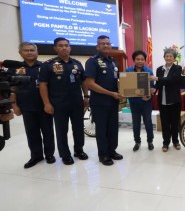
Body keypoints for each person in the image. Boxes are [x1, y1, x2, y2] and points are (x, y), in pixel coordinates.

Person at [39, 38, 89, 165]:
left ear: (70, 48)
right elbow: (43, 85)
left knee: (78, 128)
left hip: (76, 102)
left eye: (66, 45)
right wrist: (46, 103)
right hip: (58, 103)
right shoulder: (48, 64)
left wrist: (86, 96)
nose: (64, 48)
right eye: (60, 46)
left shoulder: (77, 63)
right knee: (62, 130)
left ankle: (79, 150)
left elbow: (83, 81)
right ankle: (65, 154)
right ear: (55, 48)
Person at [9, 42, 55, 169]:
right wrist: (14, 105)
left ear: (37, 52)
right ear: (20, 53)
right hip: (26, 106)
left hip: (44, 106)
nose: (29, 52)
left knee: (48, 132)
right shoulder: (15, 68)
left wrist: (50, 103)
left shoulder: (46, 67)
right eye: (26, 50)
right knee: (32, 133)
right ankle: (36, 156)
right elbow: (12, 89)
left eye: (31, 50)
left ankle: (49, 155)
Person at [85, 35, 123, 166]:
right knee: (101, 130)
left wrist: (122, 91)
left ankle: (112, 151)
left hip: (113, 102)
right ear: (98, 46)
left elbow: (117, 81)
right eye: (103, 44)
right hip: (100, 102)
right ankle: (103, 155)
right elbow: (90, 83)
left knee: (113, 128)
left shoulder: (113, 62)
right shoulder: (92, 61)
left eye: (107, 43)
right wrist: (110, 93)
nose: (106, 46)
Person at [152, 48, 183, 152]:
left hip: (174, 100)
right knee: (165, 123)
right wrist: (153, 89)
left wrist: (157, 79)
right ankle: (165, 143)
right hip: (162, 100)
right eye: (167, 56)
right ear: (164, 57)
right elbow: (158, 84)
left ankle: (175, 141)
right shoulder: (159, 69)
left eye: (171, 56)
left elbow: (172, 80)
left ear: (174, 58)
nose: (168, 58)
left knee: (174, 123)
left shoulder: (178, 68)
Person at [126, 50, 156, 151]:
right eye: (138, 59)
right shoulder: (128, 71)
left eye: (142, 59)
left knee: (148, 121)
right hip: (134, 102)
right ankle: (137, 141)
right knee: (136, 123)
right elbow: (126, 87)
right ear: (134, 60)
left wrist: (150, 94)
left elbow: (152, 88)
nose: (140, 61)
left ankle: (150, 141)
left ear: (145, 60)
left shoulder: (149, 71)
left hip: (146, 102)